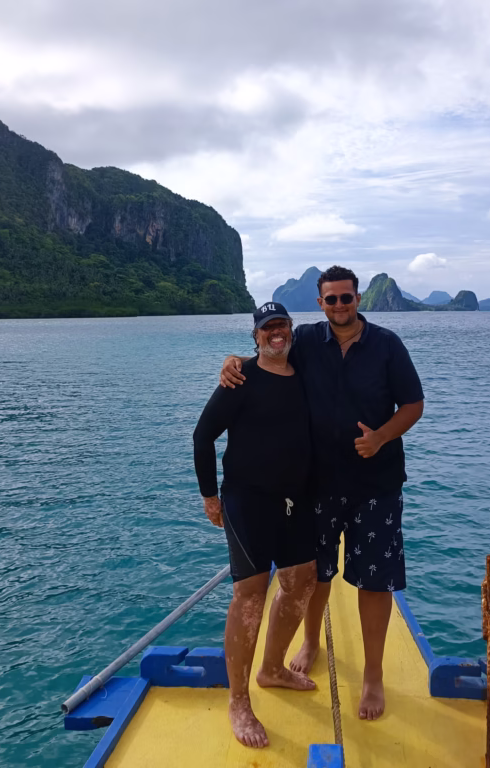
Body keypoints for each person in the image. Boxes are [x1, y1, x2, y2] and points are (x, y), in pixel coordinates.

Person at [220, 266, 424, 721]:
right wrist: (233, 360)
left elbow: (414, 404)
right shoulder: (308, 340)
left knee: (375, 581)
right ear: (320, 304)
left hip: (376, 486)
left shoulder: (387, 345)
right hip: (318, 485)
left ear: (358, 298)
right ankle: (311, 641)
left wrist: (381, 437)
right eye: (331, 299)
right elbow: (267, 354)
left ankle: (373, 675)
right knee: (316, 574)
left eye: (346, 297)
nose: (339, 306)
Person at [193, 301, 317, 750]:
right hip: (247, 500)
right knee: (250, 594)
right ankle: (239, 701)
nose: (276, 333)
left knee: (302, 581)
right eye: (268, 328)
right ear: (256, 336)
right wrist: (210, 496)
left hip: (296, 499)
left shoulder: (305, 370)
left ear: (291, 330)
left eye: (282, 325)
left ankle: (273, 668)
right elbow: (203, 435)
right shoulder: (240, 378)